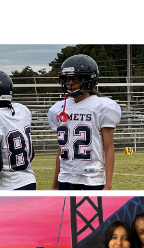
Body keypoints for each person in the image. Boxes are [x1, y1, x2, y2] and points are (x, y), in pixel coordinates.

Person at [48, 55, 122, 190]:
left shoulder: (102, 106)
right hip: (66, 175)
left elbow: (109, 147)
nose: (69, 83)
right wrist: (55, 183)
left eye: (74, 79)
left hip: (92, 177)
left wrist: (108, 184)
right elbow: (61, 148)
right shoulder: (58, 108)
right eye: (67, 79)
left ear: (88, 79)